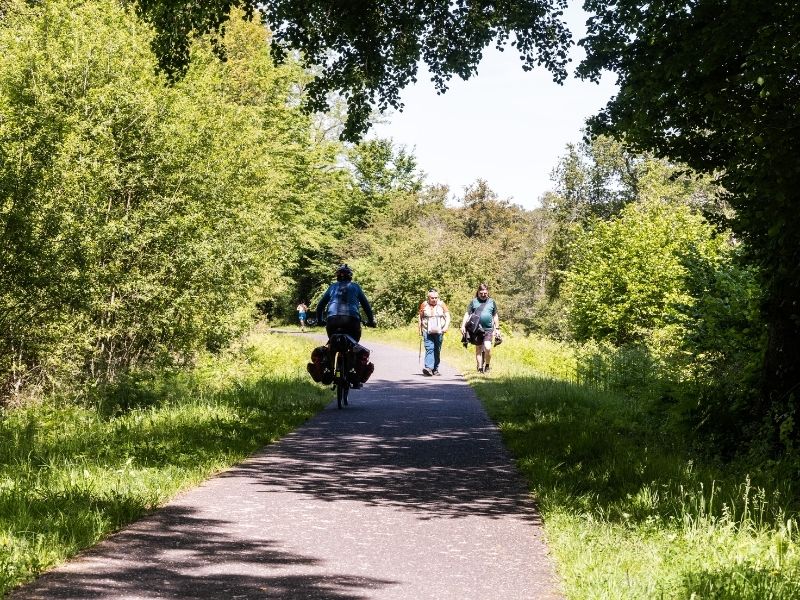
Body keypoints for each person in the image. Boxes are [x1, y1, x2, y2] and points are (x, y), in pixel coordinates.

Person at [316, 264, 376, 342]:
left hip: (332, 320)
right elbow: (366, 306)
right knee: (354, 346)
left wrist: (320, 321)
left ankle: (330, 352)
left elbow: (320, 306)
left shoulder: (332, 287)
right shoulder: (356, 287)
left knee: (332, 344)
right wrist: (371, 321)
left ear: (337, 276)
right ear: (350, 276)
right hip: (352, 320)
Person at [460, 283, 499, 373]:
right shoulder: (474, 302)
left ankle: (487, 366)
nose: (483, 295)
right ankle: (480, 368)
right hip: (476, 329)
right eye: (481, 293)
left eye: (485, 293)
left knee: (487, 347)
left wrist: (497, 329)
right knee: (478, 348)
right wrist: (463, 325)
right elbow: (467, 314)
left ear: (487, 292)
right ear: (478, 292)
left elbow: (495, 315)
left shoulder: (491, 302)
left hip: (488, 329)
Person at [418, 288, 450, 376]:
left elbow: (448, 316)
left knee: (437, 349)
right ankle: (428, 368)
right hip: (426, 331)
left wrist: (446, 327)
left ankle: (435, 369)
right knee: (429, 348)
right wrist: (420, 330)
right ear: (428, 298)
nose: (434, 299)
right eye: (432, 298)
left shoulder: (442, 304)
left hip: (439, 331)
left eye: (436, 297)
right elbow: (420, 317)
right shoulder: (424, 305)